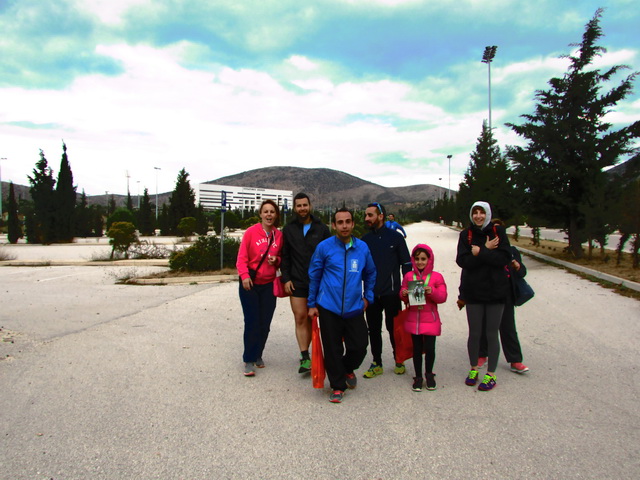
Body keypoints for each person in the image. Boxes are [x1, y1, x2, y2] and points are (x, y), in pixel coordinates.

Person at [307, 207, 376, 403]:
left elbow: (371, 273)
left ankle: (347, 368)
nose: (344, 226)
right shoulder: (324, 247)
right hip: (329, 306)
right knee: (332, 349)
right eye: (340, 222)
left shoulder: (362, 248)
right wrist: (312, 303)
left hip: (354, 307)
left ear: (353, 224)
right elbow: (314, 275)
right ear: (334, 225)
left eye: (347, 222)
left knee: (360, 346)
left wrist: (368, 297)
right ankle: (337, 386)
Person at [456, 201, 511, 391]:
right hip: (474, 292)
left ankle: (491, 374)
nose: (478, 216)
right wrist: (486, 251)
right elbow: (463, 261)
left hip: (496, 292)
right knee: (475, 333)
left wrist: (481, 251)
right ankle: (474, 369)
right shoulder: (466, 235)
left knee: (491, 333)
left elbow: (504, 259)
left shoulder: (498, 232)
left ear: (488, 213)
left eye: (482, 212)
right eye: (475, 212)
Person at [280, 192, 331, 374]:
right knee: (300, 317)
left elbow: (330, 255)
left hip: (319, 283)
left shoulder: (322, 228)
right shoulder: (288, 229)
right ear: (295, 208)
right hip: (297, 282)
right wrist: (286, 278)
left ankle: (324, 354)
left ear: (310, 206)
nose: (302, 208)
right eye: (299, 205)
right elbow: (285, 256)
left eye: (305, 205)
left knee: (318, 319)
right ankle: (305, 357)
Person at [361, 202, 412, 378]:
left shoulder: (396, 238)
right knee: (373, 330)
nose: (366, 218)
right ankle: (377, 363)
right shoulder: (365, 240)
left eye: (370, 215)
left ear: (381, 216)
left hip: (392, 293)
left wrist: (408, 290)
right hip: (372, 294)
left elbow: (407, 264)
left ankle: (399, 359)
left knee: (394, 328)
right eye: (366, 215)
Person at [236, 199, 284, 377]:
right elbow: (241, 258)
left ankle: (258, 354)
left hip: (269, 284)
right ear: (260, 214)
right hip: (250, 283)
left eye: (272, 211)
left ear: (276, 215)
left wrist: (277, 260)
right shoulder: (251, 232)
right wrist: (244, 276)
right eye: (266, 211)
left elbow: (283, 258)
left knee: (265, 323)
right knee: (252, 322)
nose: (269, 214)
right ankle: (249, 359)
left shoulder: (279, 236)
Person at [477, 219, 530, 374]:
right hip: (486, 293)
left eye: (499, 230)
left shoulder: (511, 251)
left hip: (505, 294)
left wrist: (517, 267)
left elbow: (522, 273)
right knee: (484, 325)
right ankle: (482, 354)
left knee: (508, 327)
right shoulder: (483, 249)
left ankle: (515, 360)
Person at [400, 244, 448, 391]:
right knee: (416, 349)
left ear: (429, 260)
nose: (420, 262)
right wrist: (403, 294)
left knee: (430, 348)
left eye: (423, 259)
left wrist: (432, 291)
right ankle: (418, 376)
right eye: (417, 259)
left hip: (430, 320)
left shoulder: (436, 277)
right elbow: (403, 291)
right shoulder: (409, 276)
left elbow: (442, 297)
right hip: (414, 319)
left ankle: (429, 374)